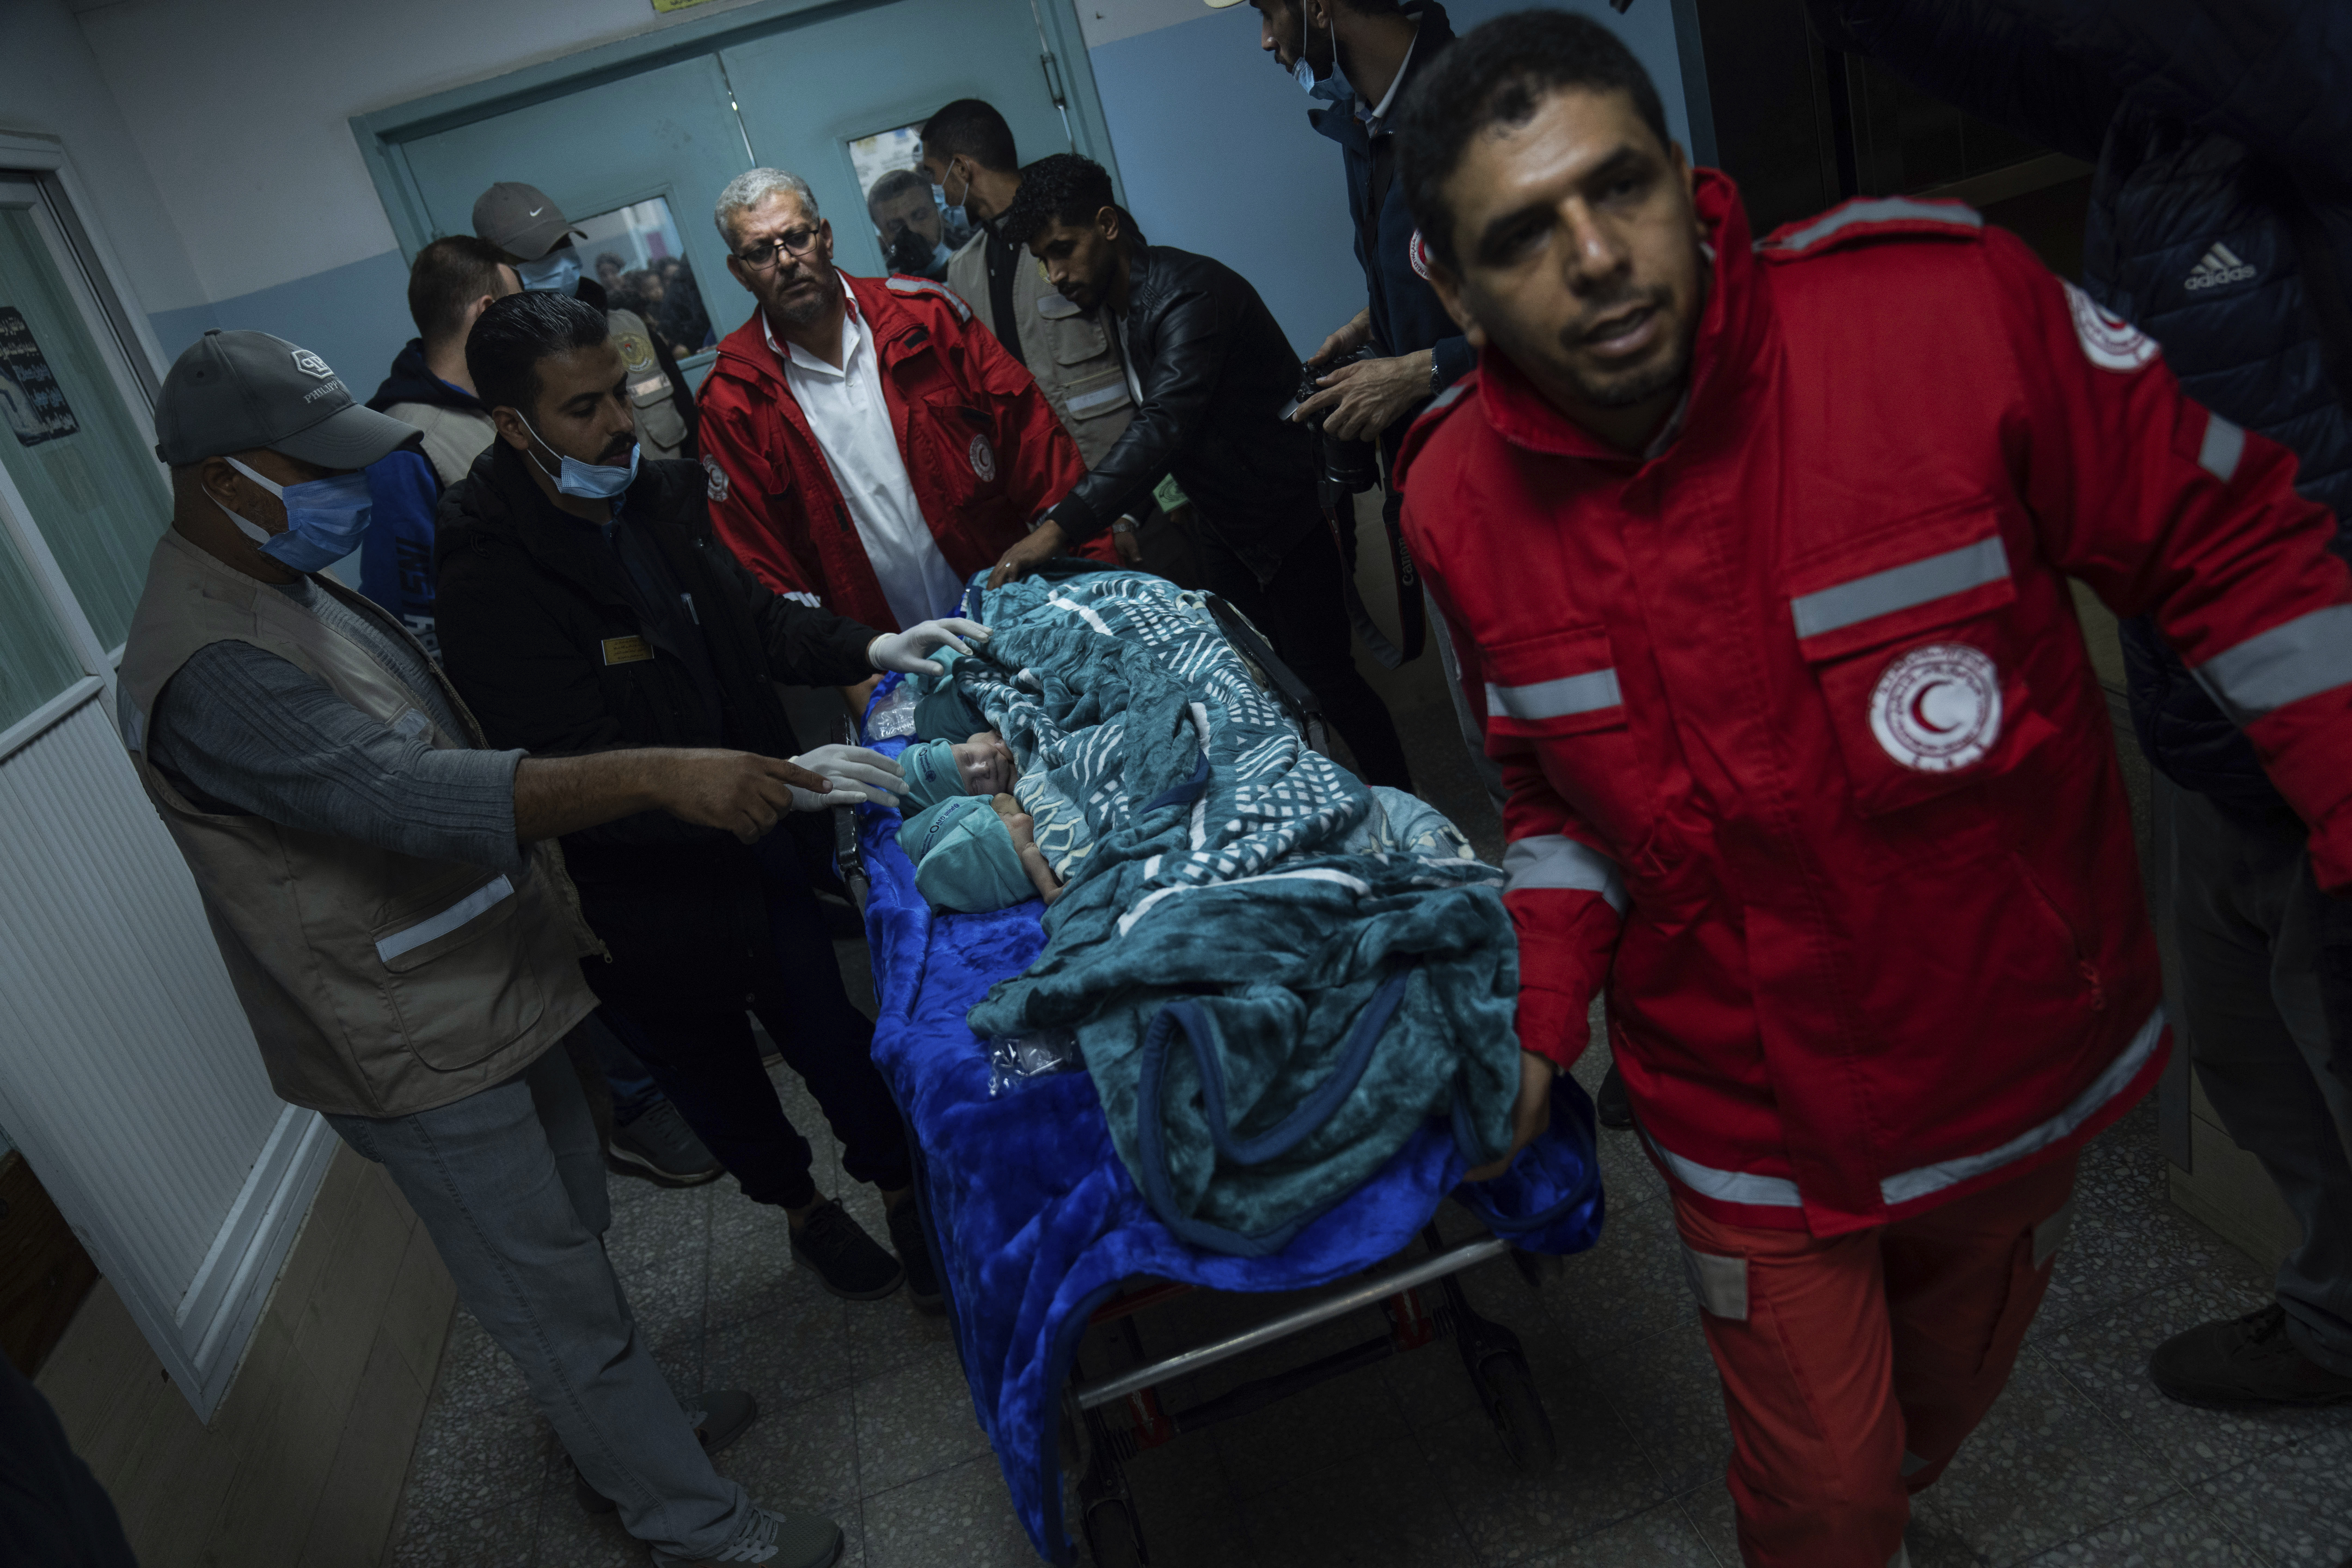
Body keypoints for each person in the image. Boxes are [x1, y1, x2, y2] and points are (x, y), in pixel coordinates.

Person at [1390, 14, 2352, 1566]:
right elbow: (1550, 789)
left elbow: (2226, 549)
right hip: (1740, 1106)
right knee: (1824, 1497)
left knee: (1920, 1415)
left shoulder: (1946, 309)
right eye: (1519, 235)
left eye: (1620, 188)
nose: (1597, 257)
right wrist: (1539, 1019)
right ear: (1446, 282)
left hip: (1997, 1054)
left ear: (1680, 171)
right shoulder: (1451, 499)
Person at [119, 326, 854, 1568]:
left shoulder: (286, 586)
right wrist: (657, 773)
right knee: (551, 1300)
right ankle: (696, 1528)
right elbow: (405, 797)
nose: (349, 492)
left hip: (491, 982)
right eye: (315, 469)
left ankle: (634, 1432)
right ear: (222, 474)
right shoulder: (208, 664)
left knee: (572, 1242)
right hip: (413, 1037)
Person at [1806, 0, 2352, 1422]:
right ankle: (2338, 1318)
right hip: (2209, 702)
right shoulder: (2169, 122)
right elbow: (2005, 53)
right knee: (2239, 1041)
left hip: (2328, 696)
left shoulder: (2292, 62)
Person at [433, 289, 984, 1317]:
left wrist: (866, 646)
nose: (616, 427)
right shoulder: (487, 576)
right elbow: (566, 768)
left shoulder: (653, 497)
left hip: (756, 837)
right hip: (633, 885)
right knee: (720, 1077)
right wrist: (743, 782)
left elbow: (752, 619)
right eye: (582, 410)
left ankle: (904, 1191)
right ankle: (800, 1208)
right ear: (513, 427)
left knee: (832, 1029)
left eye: (620, 396)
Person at [988, 155, 1415, 791]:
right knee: (1260, 681)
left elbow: (1163, 424)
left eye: (1062, 250)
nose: (1055, 276)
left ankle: (1405, 808)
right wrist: (1144, 507)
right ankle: (1320, 812)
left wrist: (1057, 530)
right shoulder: (1130, 302)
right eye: (1043, 260)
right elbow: (1173, 423)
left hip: (1294, 513)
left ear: (1106, 224)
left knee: (1325, 677)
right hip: (1229, 522)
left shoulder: (1189, 295)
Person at [1212, 0, 1505, 782]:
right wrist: (1375, 321)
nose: (1269, 40)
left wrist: (1420, 370)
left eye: (1271, 12)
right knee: (1491, 739)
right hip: (1435, 479)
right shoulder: (1366, 127)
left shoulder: (1478, 104)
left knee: (1547, 735)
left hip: (1518, 475)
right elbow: (1450, 267)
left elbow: (1565, 309)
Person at [695, 167, 1107, 654]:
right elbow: (767, 568)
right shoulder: (732, 400)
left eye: (796, 238)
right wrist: (857, 676)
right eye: (762, 252)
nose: (786, 262)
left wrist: (1103, 586)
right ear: (739, 272)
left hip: (1014, 617)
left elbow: (1039, 453)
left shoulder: (929, 320)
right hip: (880, 657)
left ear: (824, 237)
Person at [919, 99, 1183, 579]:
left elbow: (1151, 363)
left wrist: (1145, 504)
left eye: (936, 175)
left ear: (962, 169)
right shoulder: (964, 269)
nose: (938, 190)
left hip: (1137, 497)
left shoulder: (1080, 233)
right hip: (1054, 508)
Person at [473, 181, 697, 462]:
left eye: (563, 245)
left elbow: (690, 426)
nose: (561, 263)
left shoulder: (630, 328)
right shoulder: (502, 366)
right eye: (539, 255)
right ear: (500, 269)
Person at [865, 168, 953, 281]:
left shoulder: (972, 261)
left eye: (921, 217)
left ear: (940, 214)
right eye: (896, 227)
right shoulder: (882, 283)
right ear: (883, 237)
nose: (912, 229)